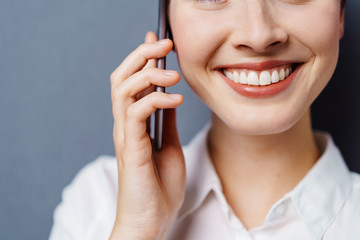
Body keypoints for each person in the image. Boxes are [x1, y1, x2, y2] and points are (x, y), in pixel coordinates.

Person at [50, 0, 360, 239]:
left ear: (341, 13)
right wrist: (138, 230)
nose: (258, 35)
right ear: (167, 23)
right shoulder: (97, 205)